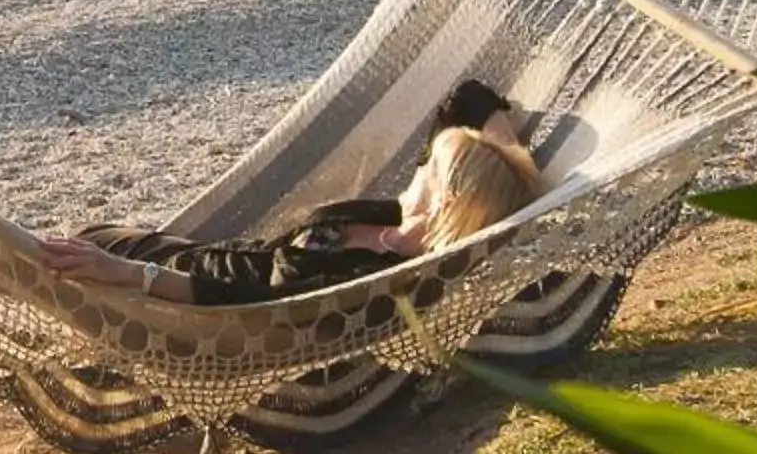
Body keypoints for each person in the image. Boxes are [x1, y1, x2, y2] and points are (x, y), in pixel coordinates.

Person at [37, 81, 540, 307]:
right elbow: (469, 98)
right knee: (70, 244)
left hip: (181, 293)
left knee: (42, 261)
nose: (423, 160)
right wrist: (510, 164)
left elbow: (256, 306)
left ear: (449, 198)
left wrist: (129, 274)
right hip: (196, 256)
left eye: (432, 166)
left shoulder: (376, 273)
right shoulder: (392, 219)